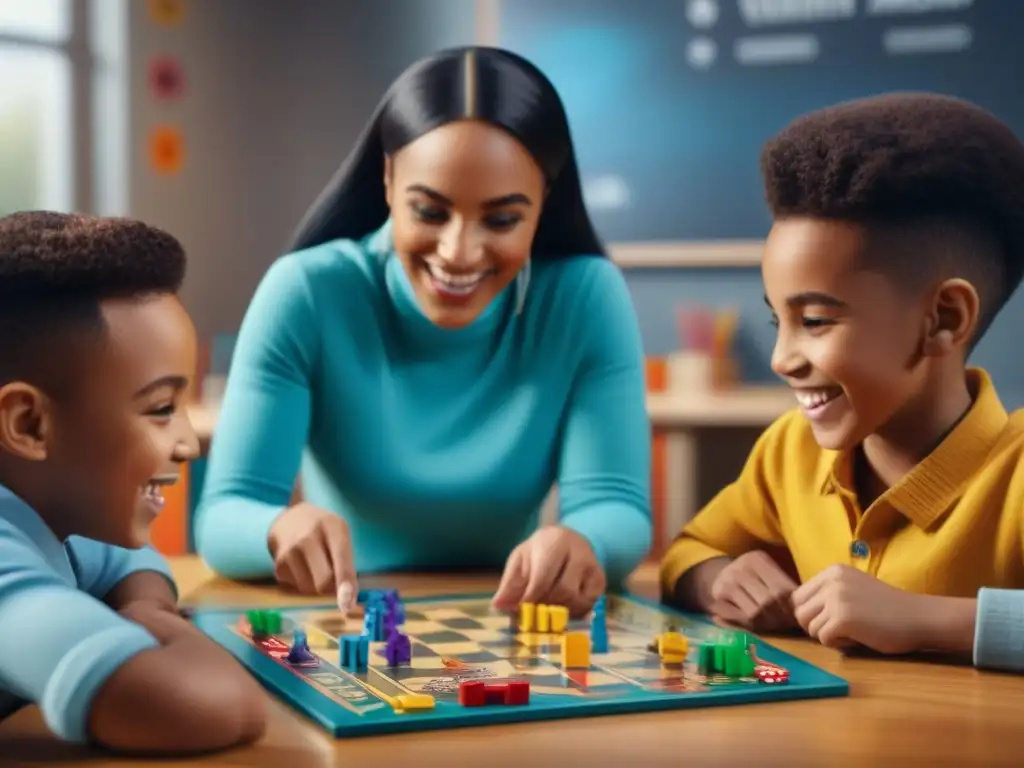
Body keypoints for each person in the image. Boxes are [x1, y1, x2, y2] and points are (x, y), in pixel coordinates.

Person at [193, 46, 652, 617]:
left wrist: (586, 542)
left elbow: (616, 505)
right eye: (430, 212)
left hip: (508, 620)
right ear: (387, 180)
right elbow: (224, 514)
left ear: (544, 201)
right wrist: (277, 527)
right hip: (350, 621)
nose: (459, 252)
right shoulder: (306, 292)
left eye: (503, 219)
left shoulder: (584, 296)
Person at [660, 93, 1024, 671]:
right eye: (777, 320)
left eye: (815, 322)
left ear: (946, 318)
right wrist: (717, 580)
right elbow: (686, 551)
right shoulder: (789, 451)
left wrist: (924, 618)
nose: (782, 358)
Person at [0, 212, 267, 752]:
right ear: (30, 424)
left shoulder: (51, 518)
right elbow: (206, 706)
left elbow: (128, 560)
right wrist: (156, 630)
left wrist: (146, 610)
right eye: (162, 408)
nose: (189, 444)